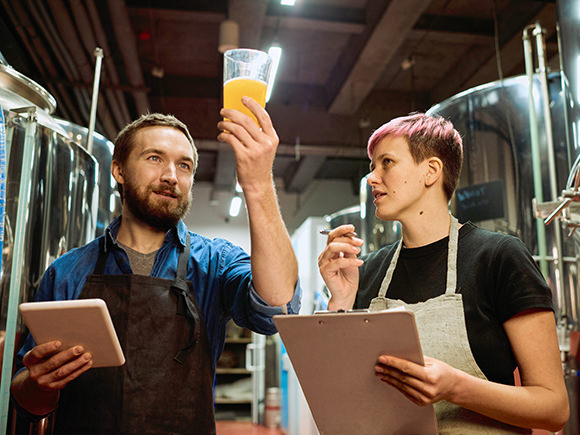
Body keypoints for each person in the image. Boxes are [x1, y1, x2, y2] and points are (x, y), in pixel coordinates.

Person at [11, 98, 300, 434]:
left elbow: (277, 308)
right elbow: (29, 404)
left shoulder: (214, 262)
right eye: (154, 158)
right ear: (118, 169)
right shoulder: (67, 272)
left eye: (185, 166)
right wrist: (39, 384)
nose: (171, 176)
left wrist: (258, 183)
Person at [318, 113, 569, 433]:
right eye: (372, 167)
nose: (372, 178)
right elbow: (344, 396)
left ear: (431, 171)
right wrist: (340, 301)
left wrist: (455, 388)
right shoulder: (368, 271)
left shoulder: (499, 257)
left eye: (387, 163)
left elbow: (554, 407)